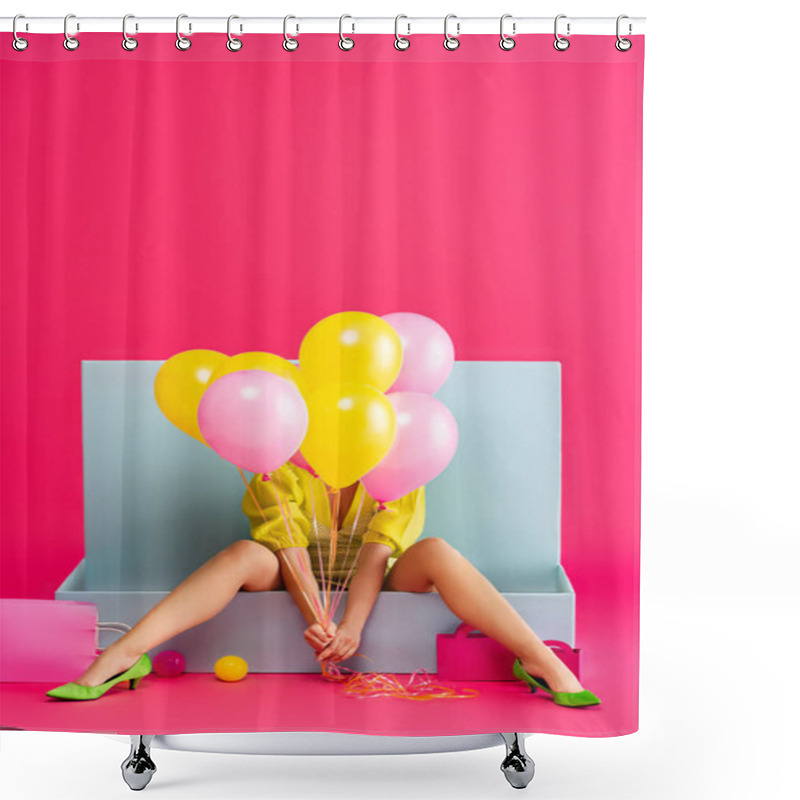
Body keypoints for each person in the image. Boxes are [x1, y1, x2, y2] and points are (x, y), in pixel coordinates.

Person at [45, 461, 599, 707]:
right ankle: (121, 657)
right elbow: (286, 549)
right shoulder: (276, 459)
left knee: (438, 552)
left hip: (373, 584)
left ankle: (539, 660)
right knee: (243, 551)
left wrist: (350, 627)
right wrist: (317, 620)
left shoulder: (399, 455)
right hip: (292, 579)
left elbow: (378, 555)